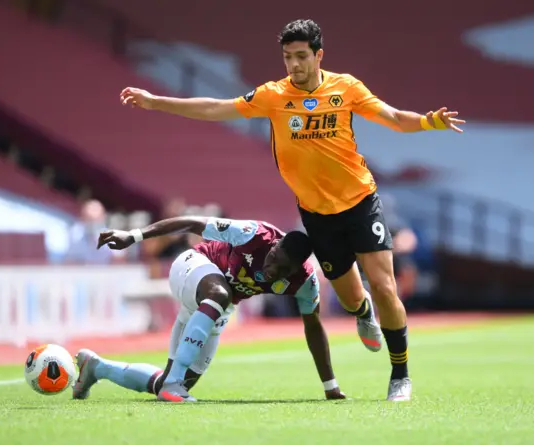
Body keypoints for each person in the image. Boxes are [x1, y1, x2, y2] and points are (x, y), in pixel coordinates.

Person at [117, 19, 466, 401]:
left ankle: (400, 375)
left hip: (361, 202)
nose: (294, 65)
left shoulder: (346, 88)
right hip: (318, 216)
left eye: (301, 56)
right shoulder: (273, 95)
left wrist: (431, 121)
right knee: (352, 299)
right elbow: (217, 108)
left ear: (319, 55)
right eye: (287, 57)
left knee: (385, 286)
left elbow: (395, 118)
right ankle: (363, 313)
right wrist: (156, 102)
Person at [72, 215, 366, 402]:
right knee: (220, 294)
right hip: (193, 268)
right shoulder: (254, 234)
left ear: (295, 271)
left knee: (174, 382)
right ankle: (174, 382)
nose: (271, 267)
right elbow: (190, 223)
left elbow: (313, 327)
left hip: (213, 308)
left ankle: (97, 368)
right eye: (274, 256)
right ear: (274, 244)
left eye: (281, 268)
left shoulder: (305, 283)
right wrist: (134, 236)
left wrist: (330, 385)